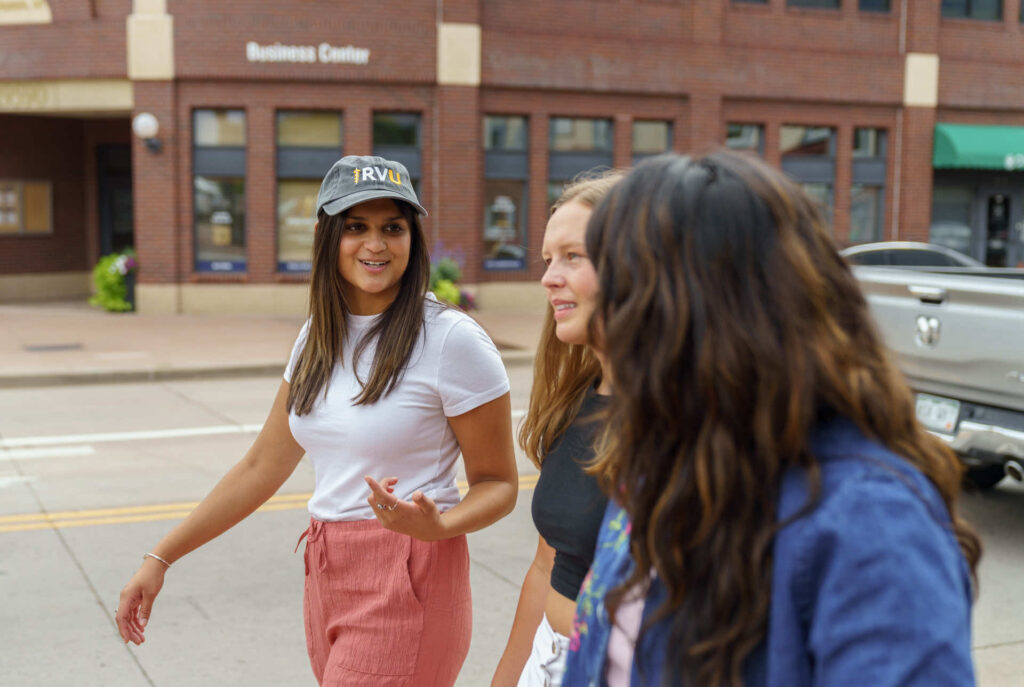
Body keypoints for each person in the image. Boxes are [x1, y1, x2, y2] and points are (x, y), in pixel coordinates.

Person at [562, 151, 982, 687]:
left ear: (694, 317)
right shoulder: (660, 457)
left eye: (621, 291)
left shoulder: (870, 521)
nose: (603, 320)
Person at [115, 155, 518, 687]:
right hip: (327, 573)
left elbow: (499, 484)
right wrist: (162, 557)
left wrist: (438, 525)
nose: (375, 244)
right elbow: (262, 464)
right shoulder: (317, 336)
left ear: (411, 239)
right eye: (356, 227)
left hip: (410, 574)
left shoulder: (450, 340)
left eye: (392, 228)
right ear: (326, 235)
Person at [491, 171, 623, 687]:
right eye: (548, 259)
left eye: (573, 257)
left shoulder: (687, 425)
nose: (548, 277)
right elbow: (547, 567)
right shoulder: (576, 403)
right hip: (551, 661)